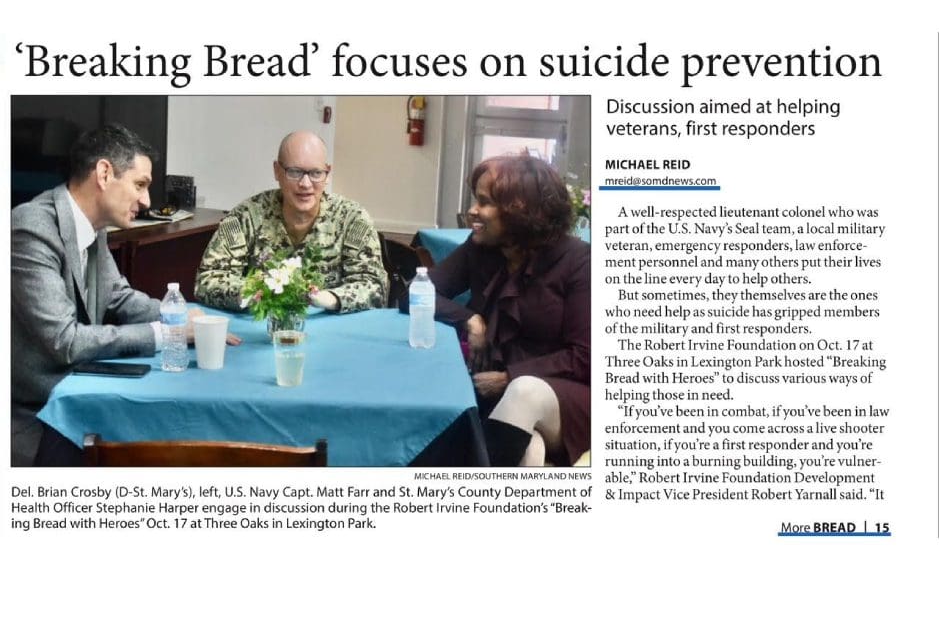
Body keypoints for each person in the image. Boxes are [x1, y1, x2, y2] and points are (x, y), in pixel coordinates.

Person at [11, 124, 234, 466]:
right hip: (33, 414)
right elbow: (64, 340)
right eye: (140, 185)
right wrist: (168, 333)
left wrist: (178, 314)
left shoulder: (93, 226)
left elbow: (117, 296)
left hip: (76, 391)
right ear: (104, 173)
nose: (146, 201)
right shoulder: (32, 228)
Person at [427, 155, 589, 466]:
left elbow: (585, 357)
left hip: (568, 397)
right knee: (530, 451)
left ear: (519, 210)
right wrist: (469, 319)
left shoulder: (579, 262)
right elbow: (417, 292)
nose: (473, 210)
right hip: (499, 397)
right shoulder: (482, 248)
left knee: (524, 392)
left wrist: (508, 377)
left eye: (484, 202)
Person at [195, 130, 387, 313]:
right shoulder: (246, 216)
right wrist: (254, 291)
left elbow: (374, 285)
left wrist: (332, 298)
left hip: (332, 330)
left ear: (327, 173)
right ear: (277, 171)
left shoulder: (352, 219)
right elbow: (207, 279)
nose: (305, 184)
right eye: (294, 172)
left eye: (316, 173)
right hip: (262, 329)